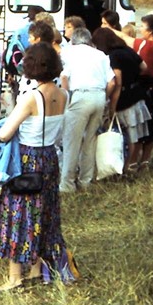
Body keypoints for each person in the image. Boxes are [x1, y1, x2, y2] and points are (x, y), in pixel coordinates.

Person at [0, 43, 69, 291]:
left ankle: (15, 278)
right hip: (49, 159)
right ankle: (37, 268)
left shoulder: (31, 97)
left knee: (18, 215)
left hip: (27, 159)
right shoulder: (62, 94)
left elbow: (4, 134)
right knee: (45, 212)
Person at [113, 14, 153, 170]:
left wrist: (108, 28)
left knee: (142, 124)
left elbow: (124, 37)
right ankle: (146, 161)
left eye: (142, 26)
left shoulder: (142, 45)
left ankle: (133, 161)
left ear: (150, 31)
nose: (140, 29)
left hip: (144, 87)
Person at [59, 27, 115, 192]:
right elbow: (112, 82)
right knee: (90, 140)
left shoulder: (69, 52)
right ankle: (85, 181)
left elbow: (63, 76)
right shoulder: (100, 55)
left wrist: (67, 97)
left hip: (79, 96)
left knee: (72, 142)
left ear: (74, 40)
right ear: (89, 40)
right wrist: (104, 97)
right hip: (98, 96)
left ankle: (67, 184)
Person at [91, 27, 150, 173]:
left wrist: (112, 107)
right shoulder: (127, 50)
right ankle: (132, 164)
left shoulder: (113, 56)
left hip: (125, 101)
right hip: (138, 95)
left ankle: (125, 168)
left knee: (128, 137)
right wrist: (134, 77)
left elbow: (117, 83)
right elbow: (144, 67)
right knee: (135, 137)